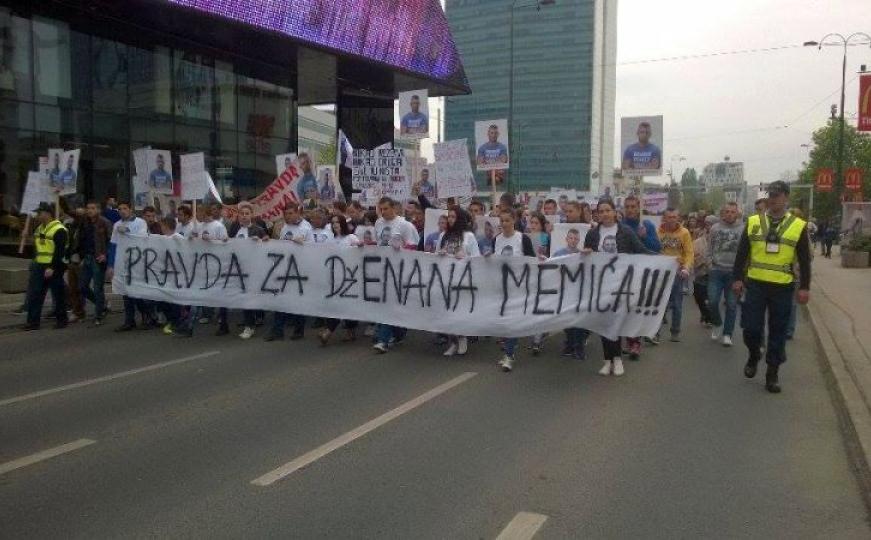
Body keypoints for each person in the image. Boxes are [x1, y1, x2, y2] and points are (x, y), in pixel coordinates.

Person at [732, 181, 811, 394]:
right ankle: (754, 354)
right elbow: (742, 253)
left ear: (786, 197)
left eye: (777, 195)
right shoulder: (754, 221)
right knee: (751, 328)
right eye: (770, 195)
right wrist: (737, 278)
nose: (772, 199)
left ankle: (772, 373)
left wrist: (804, 287)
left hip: (783, 286)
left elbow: (804, 260)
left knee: (778, 331)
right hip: (756, 283)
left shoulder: (798, 225)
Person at [582, 199, 653, 376]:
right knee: (604, 322)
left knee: (616, 321)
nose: (604, 214)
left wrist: (665, 259)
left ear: (614, 212)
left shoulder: (626, 231)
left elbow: (640, 250)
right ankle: (607, 360)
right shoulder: (592, 233)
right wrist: (585, 253)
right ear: (597, 214)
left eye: (608, 210)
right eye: (601, 211)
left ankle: (618, 359)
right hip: (600, 285)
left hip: (621, 283)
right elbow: (585, 257)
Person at [490, 208, 536, 371]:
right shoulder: (496, 240)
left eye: (507, 220)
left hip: (518, 287)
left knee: (512, 322)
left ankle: (509, 355)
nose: (504, 224)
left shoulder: (522, 239)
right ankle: (511, 350)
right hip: (502, 288)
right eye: (501, 221)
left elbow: (532, 261)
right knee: (505, 323)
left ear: (514, 220)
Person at [372, 196, 420, 353]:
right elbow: (377, 243)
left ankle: (383, 339)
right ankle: (398, 332)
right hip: (382, 269)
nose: (383, 212)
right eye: (381, 209)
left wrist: (402, 248)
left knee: (391, 304)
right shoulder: (378, 223)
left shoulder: (404, 225)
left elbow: (414, 246)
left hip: (399, 270)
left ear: (393, 208)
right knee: (388, 304)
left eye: (386, 208)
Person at [265, 204, 314, 341]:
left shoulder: (306, 228)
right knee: (280, 299)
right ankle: (277, 330)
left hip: (300, 270)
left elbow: (315, 249)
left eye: (291, 213)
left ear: (298, 213)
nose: (288, 216)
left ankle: (299, 329)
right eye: (286, 214)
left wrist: (303, 244)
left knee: (298, 300)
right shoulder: (285, 227)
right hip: (285, 268)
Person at [620, 194, 661, 358]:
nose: (630, 210)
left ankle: (635, 343)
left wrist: (645, 236)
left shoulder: (647, 224)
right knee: (625, 308)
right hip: (623, 272)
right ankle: (629, 341)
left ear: (638, 208)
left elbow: (656, 247)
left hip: (642, 272)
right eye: (627, 207)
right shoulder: (620, 225)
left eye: (633, 207)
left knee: (635, 307)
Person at [221, 202, 268, 340]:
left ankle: (251, 325)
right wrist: (225, 241)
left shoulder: (258, 229)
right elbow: (230, 244)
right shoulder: (234, 229)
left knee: (250, 297)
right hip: (238, 269)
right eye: (242, 214)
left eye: (247, 214)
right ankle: (249, 322)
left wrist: (260, 240)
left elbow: (267, 242)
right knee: (243, 297)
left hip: (253, 269)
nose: (244, 216)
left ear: (251, 215)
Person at [437, 208, 480, 357]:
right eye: (449, 216)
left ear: (460, 218)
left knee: (459, 312)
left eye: (453, 217)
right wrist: (440, 254)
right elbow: (436, 256)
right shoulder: (443, 235)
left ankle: (462, 339)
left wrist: (465, 257)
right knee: (448, 313)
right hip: (446, 280)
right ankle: (453, 342)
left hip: (462, 280)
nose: (450, 219)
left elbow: (477, 258)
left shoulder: (469, 236)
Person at [22, 203, 68, 331]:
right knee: (35, 294)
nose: (37, 215)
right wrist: (27, 238)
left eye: (39, 213)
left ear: (48, 213)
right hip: (39, 265)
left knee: (57, 294)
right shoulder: (40, 228)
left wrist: (52, 267)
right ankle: (32, 322)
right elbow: (40, 244)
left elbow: (60, 251)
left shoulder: (59, 229)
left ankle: (62, 320)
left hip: (53, 266)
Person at [109, 201, 152, 331]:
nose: (122, 211)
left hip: (137, 262)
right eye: (120, 209)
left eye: (124, 208)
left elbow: (142, 237)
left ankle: (147, 315)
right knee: (125, 292)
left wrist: (128, 230)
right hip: (123, 262)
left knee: (136, 292)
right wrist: (111, 265)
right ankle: (129, 320)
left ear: (130, 210)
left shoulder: (140, 222)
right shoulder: (117, 225)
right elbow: (113, 245)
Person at [318, 214, 361, 346]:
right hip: (335, 278)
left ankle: (332, 331)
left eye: (337, 222)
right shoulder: (330, 239)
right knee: (336, 306)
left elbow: (359, 252)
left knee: (348, 306)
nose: (335, 224)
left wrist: (360, 246)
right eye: (333, 222)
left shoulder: (351, 238)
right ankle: (333, 331)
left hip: (349, 278)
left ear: (342, 223)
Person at [707, 202, 742, 346]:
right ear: (723, 213)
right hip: (716, 270)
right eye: (727, 211)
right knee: (713, 300)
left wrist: (742, 274)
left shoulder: (742, 229)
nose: (729, 214)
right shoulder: (715, 228)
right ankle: (716, 323)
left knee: (732, 305)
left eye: (732, 212)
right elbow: (709, 247)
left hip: (733, 272)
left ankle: (727, 334)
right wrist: (710, 263)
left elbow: (745, 251)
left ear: (737, 214)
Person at [658, 208, 693, 342]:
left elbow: (689, 252)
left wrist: (686, 267)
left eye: (674, 217)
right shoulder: (658, 232)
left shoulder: (684, 233)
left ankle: (675, 330)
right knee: (660, 302)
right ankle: (655, 331)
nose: (672, 220)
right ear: (664, 218)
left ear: (678, 218)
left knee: (677, 303)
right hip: (661, 272)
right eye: (669, 217)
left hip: (678, 272)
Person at [77, 200, 112, 325]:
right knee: (82, 286)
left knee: (98, 287)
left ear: (98, 210)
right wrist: (80, 256)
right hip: (87, 257)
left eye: (92, 208)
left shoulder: (104, 222)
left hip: (98, 258)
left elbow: (111, 241)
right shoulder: (85, 222)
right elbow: (81, 240)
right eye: (88, 208)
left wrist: (105, 255)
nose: (90, 211)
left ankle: (98, 315)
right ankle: (101, 305)